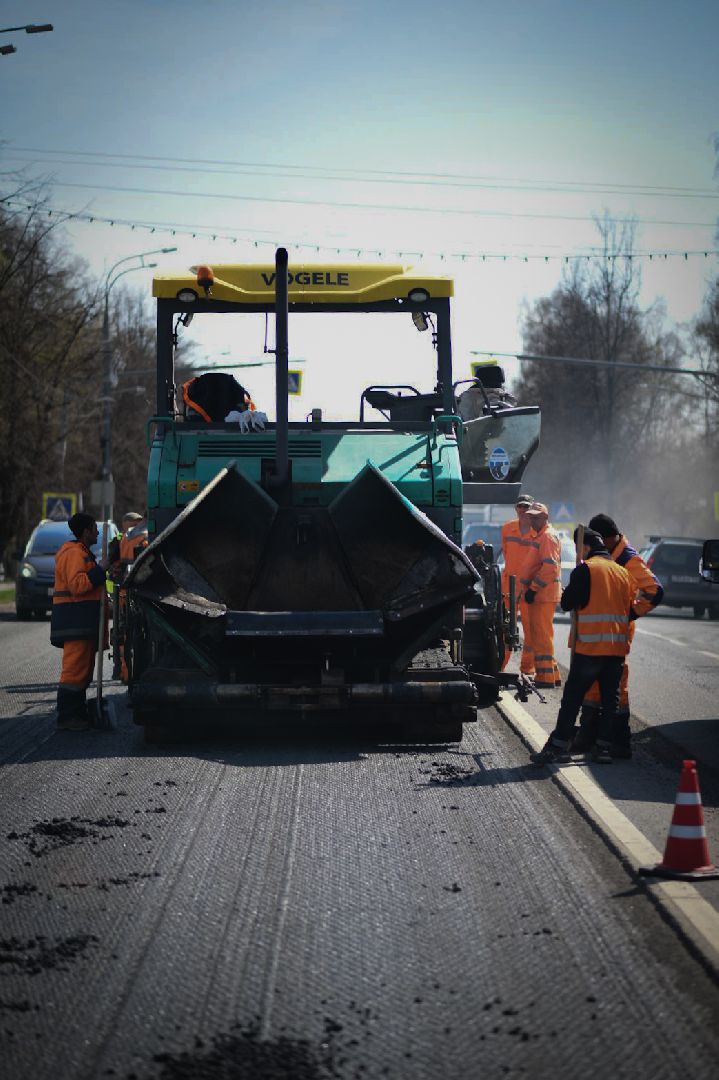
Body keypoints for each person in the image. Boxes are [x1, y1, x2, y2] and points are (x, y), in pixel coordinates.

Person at [530, 527, 634, 765]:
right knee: (610, 701)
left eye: (579, 549)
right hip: (616, 651)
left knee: (572, 699)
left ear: (585, 548)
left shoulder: (586, 569)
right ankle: (603, 748)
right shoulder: (622, 572)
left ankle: (558, 747)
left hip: (590, 650)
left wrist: (571, 588)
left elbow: (567, 603)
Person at [571, 513, 664, 758]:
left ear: (607, 538)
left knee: (616, 687)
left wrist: (629, 613)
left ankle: (619, 741)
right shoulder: (606, 556)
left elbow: (654, 591)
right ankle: (590, 735)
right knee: (593, 687)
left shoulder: (627, 558)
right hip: (598, 633)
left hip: (615, 634)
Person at [50, 513, 111, 731]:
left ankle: (77, 713)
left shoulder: (83, 553)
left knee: (83, 671)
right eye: (95, 528)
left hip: (83, 622)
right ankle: (67, 717)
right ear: (86, 531)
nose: (97, 532)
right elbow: (78, 585)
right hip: (75, 621)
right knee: (74, 672)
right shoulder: (73, 553)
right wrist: (100, 569)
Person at [519, 502, 562, 688]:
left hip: (542, 595)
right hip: (541, 595)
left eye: (536, 517)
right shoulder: (542, 536)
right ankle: (552, 674)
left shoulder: (547, 537)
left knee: (542, 637)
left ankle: (545, 678)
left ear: (545, 518)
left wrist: (534, 589)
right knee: (542, 636)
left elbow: (550, 568)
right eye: (530, 516)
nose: (532, 520)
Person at [500, 494, 537, 678]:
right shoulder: (507, 528)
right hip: (508, 586)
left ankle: (527, 669)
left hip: (529, 587)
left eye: (526, 506)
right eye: (520, 506)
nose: (522, 510)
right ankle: (500, 666)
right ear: (516, 508)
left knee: (530, 630)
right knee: (504, 628)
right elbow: (507, 554)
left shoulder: (538, 532)